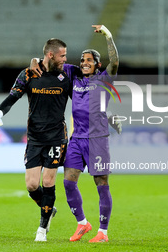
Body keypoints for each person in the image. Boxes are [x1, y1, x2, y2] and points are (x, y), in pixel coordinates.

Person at [30, 25, 120, 243]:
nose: (84, 63)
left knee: (101, 184)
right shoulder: (73, 76)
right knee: (69, 183)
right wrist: (34, 60)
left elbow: (115, 62)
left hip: (98, 140)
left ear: (97, 64)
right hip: (77, 140)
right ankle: (82, 223)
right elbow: (51, 61)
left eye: (89, 60)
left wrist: (108, 34)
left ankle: (103, 232)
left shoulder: (105, 79)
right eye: (82, 60)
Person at [0, 38, 71, 242]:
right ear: (50, 55)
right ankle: (49, 209)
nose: (65, 59)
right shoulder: (28, 73)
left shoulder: (66, 75)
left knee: (48, 181)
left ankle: (41, 229)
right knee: (32, 185)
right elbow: (13, 96)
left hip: (56, 137)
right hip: (34, 137)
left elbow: (83, 100)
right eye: (62, 55)